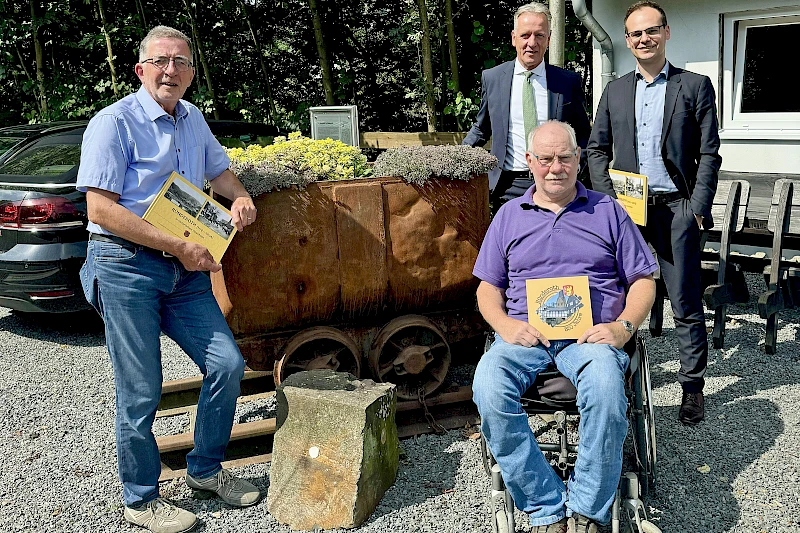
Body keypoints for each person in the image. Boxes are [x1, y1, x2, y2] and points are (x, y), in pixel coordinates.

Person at [77, 26, 261, 533]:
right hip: (126, 266)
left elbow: (219, 173)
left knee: (228, 363)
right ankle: (139, 499)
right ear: (140, 69)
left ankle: (204, 470)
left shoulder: (193, 118)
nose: (170, 71)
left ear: (192, 74)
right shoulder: (112, 123)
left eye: (180, 62)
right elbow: (100, 209)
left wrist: (239, 195)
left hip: (185, 271)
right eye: (160, 61)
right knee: (141, 389)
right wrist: (180, 246)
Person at [472, 120, 657, 533]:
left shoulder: (607, 211)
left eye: (565, 157)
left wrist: (623, 328)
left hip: (590, 338)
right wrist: (504, 325)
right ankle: (545, 506)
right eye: (545, 159)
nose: (555, 167)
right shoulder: (508, 215)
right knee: (487, 386)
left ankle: (589, 508)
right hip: (526, 337)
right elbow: (488, 288)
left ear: (577, 159)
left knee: (609, 391)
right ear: (529, 162)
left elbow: (644, 279)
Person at [587, 1, 722, 426]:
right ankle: (614, 379)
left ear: (665, 33)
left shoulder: (694, 86)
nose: (643, 39)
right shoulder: (616, 90)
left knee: (684, 299)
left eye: (651, 30)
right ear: (627, 41)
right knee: (613, 295)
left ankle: (692, 387)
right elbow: (595, 149)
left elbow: (708, 152)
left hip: (675, 210)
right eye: (635, 34)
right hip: (627, 212)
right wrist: (607, 201)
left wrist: (697, 208)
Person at [462, 2, 591, 209]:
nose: (532, 43)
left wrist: (575, 168)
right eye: (525, 35)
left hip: (556, 182)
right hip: (507, 186)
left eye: (539, 35)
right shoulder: (493, 79)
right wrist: (455, 156)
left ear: (548, 40)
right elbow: (481, 128)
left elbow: (583, 134)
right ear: (514, 38)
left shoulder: (567, 82)